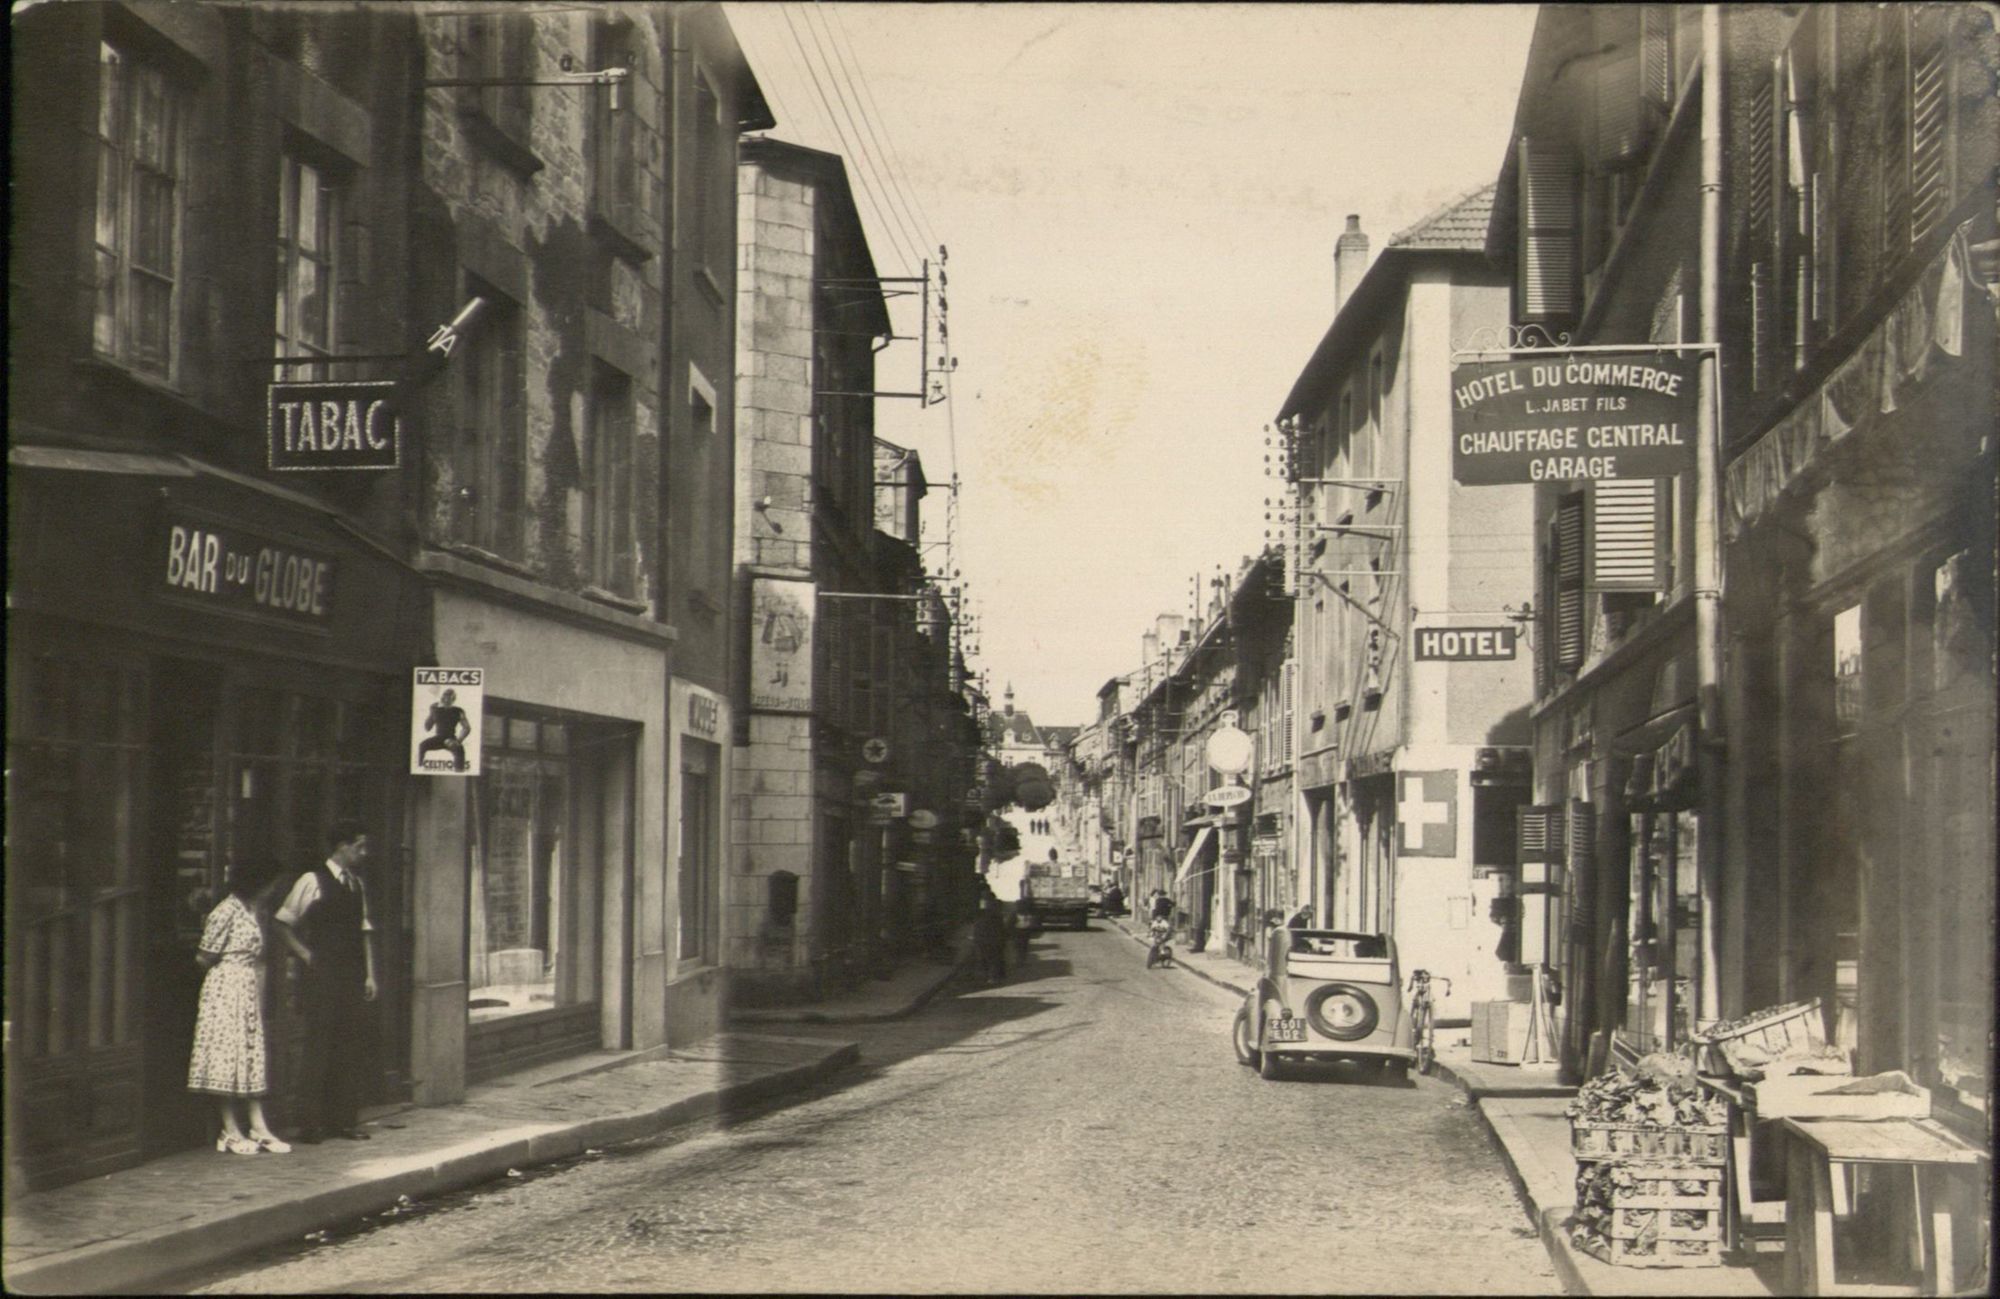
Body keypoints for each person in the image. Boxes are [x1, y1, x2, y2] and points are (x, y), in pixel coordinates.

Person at [275, 818, 379, 1143]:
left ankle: (344, 1121)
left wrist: (371, 975)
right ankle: (310, 1124)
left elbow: (364, 931)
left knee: (348, 1045)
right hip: (322, 975)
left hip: (352, 975)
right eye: (359, 846)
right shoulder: (312, 881)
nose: (363, 853)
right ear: (342, 847)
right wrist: (306, 955)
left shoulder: (356, 885)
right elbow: (283, 923)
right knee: (318, 1046)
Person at [188, 860, 288, 1154]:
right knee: (227, 1055)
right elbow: (204, 956)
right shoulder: (225, 911)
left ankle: (258, 1126)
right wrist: (227, 976)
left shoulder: (255, 911)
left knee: (249, 1054)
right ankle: (229, 1130)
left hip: (246, 988)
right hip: (225, 988)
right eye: (270, 885)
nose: (272, 891)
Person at [416, 687, 471, 772]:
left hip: (451, 738)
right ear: (442, 697)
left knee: (459, 750)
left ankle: (459, 771)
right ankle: (419, 768)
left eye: (450, 697)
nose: (447, 699)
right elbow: (427, 728)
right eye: (445, 696)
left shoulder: (458, 711)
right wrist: (431, 712)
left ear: (453, 699)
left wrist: (458, 741)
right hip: (438, 738)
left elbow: (467, 728)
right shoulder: (436, 710)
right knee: (422, 745)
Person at [972, 894, 1007, 985]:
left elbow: (977, 927)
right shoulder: (997, 913)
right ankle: (992, 978)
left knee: (983, 959)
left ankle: (985, 978)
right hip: (992, 939)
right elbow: (1001, 929)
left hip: (984, 939)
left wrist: (976, 937)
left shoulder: (979, 913)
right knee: (992, 959)